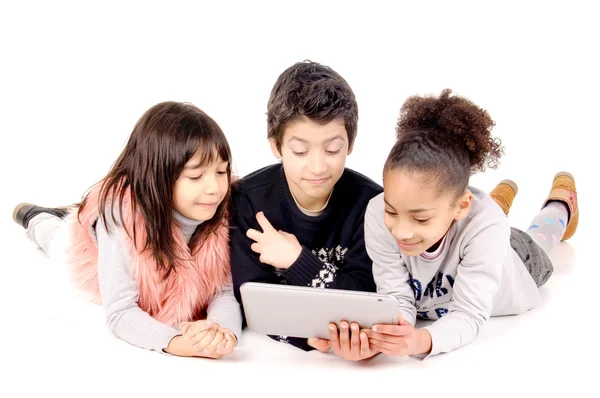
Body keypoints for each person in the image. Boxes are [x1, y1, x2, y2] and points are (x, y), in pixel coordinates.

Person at [13, 101, 242, 358]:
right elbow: (121, 311)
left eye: (221, 171)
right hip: (89, 250)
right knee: (55, 237)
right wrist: (177, 342)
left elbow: (224, 290)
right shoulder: (122, 218)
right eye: (195, 176)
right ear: (159, 178)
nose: (214, 188)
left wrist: (221, 331)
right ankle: (36, 217)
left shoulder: (224, 212)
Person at [363, 89, 578, 358]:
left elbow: (468, 314)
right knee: (484, 219)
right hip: (471, 225)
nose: (401, 231)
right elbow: (395, 294)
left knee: (539, 237)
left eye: (420, 218)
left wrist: (420, 341)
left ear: (462, 206)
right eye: (392, 211)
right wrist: (394, 332)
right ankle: (495, 199)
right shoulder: (375, 213)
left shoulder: (487, 227)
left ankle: (560, 205)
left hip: (517, 256)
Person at [230, 60, 382, 359]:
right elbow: (254, 302)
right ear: (276, 145)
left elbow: (369, 297)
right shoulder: (248, 200)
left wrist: (296, 260)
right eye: (300, 151)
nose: (317, 166)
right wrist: (311, 339)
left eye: (332, 150)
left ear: (350, 143)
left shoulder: (371, 205)